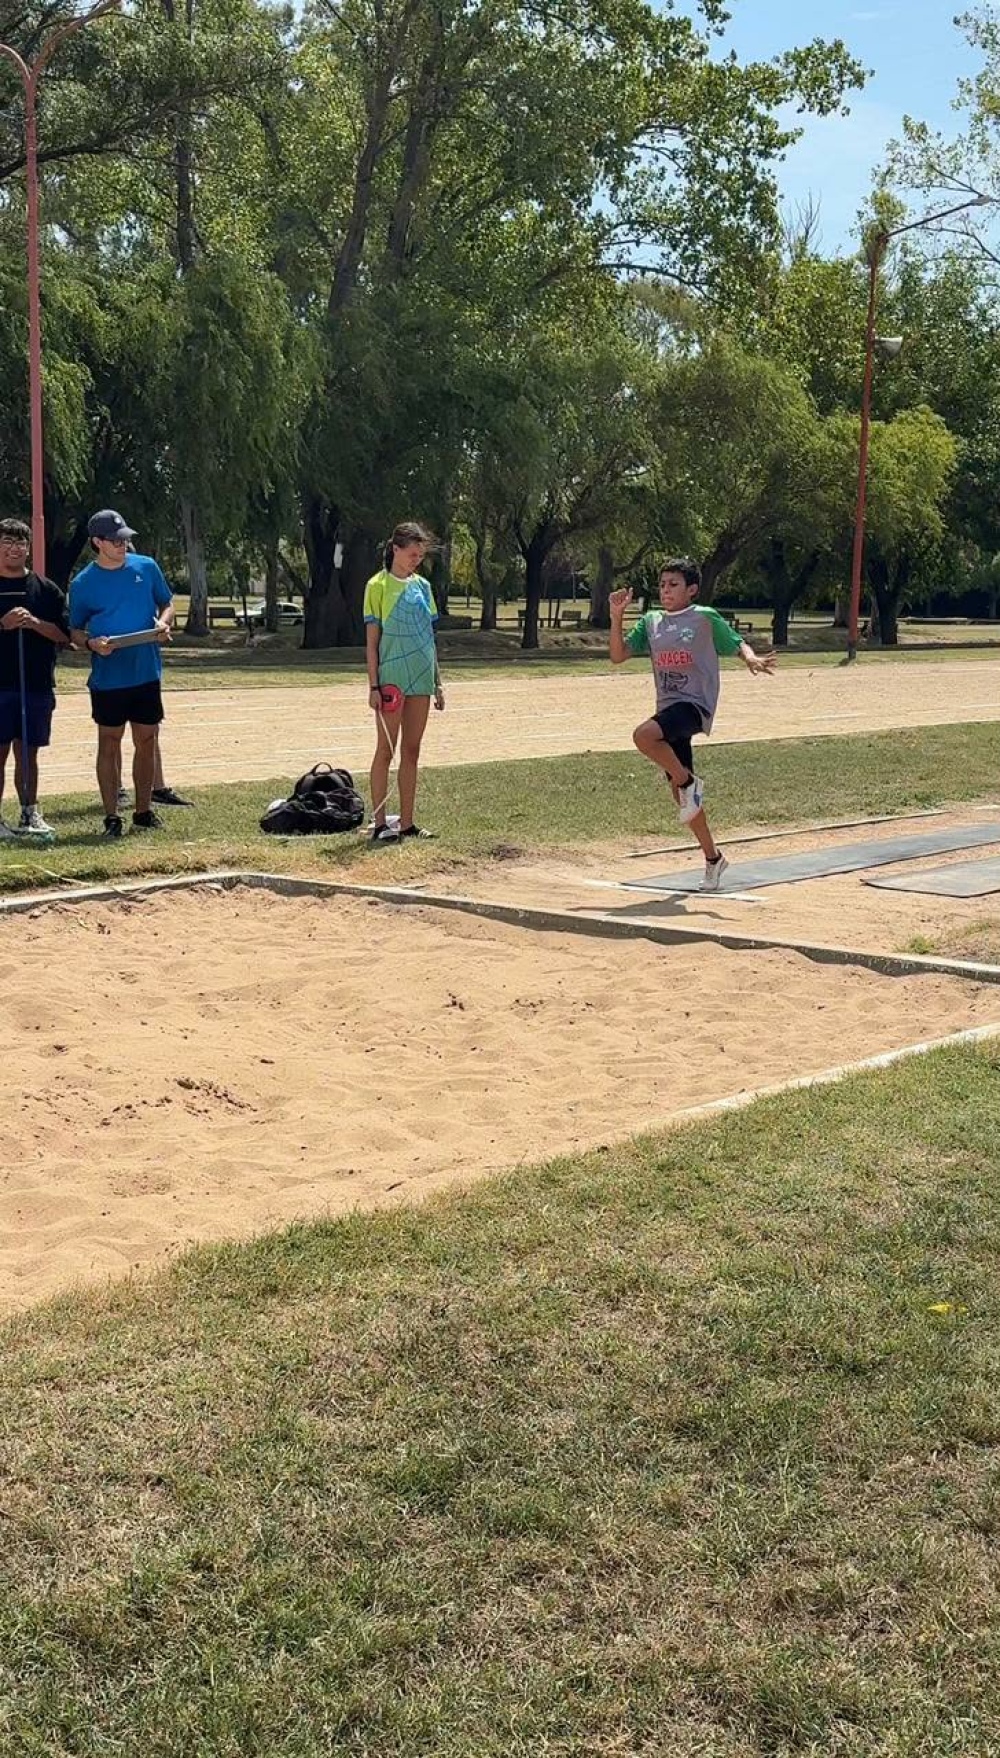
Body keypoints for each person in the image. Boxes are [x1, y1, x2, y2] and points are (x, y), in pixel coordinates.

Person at [610, 558, 775, 892]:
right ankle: (714, 859)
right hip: (668, 708)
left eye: (673, 584)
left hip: (694, 706)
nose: (666, 590)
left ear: (692, 589)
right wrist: (616, 618)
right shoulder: (652, 621)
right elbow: (618, 655)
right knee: (682, 798)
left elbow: (734, 641)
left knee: (643, 736)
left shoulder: (703, 617)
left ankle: (688, 782)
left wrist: (751, 658)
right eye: (662, 584)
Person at [68, 508, 174, 839]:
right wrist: (92, 643)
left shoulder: (146, 566)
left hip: (145, 672)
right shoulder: (84, 582)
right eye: (114, 541)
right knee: (109, 742)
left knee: (146, 739)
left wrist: (163, 623)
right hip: (109, 677)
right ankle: (112, 814)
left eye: (125, 539)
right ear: (97, 542)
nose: (122, 546)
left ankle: (143, 811)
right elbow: (74, 631)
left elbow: (167, 603)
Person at [364, 521, 445, 843]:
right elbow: (372, 642)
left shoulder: (423, 587)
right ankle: (380, 822)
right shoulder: (377, 585)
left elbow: (430, 638)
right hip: (392, 681)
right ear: (395, 549)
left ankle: (408, 823)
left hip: (421, 679)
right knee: (386, 750)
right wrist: (373, 686)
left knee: (412, 750)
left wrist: (438, 683)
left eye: (420, 556)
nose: (415, 560)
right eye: (412, 554)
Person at [0, 517, 69, 840]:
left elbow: (64, 634)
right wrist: (4, 624)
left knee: (28, 752)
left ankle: (30, 813)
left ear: (28, 548)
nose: (15, 549)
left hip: (36, 683)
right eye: (7, 542)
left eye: (21, 543)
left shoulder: (45, 589)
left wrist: (35, 623)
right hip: (1, 685)